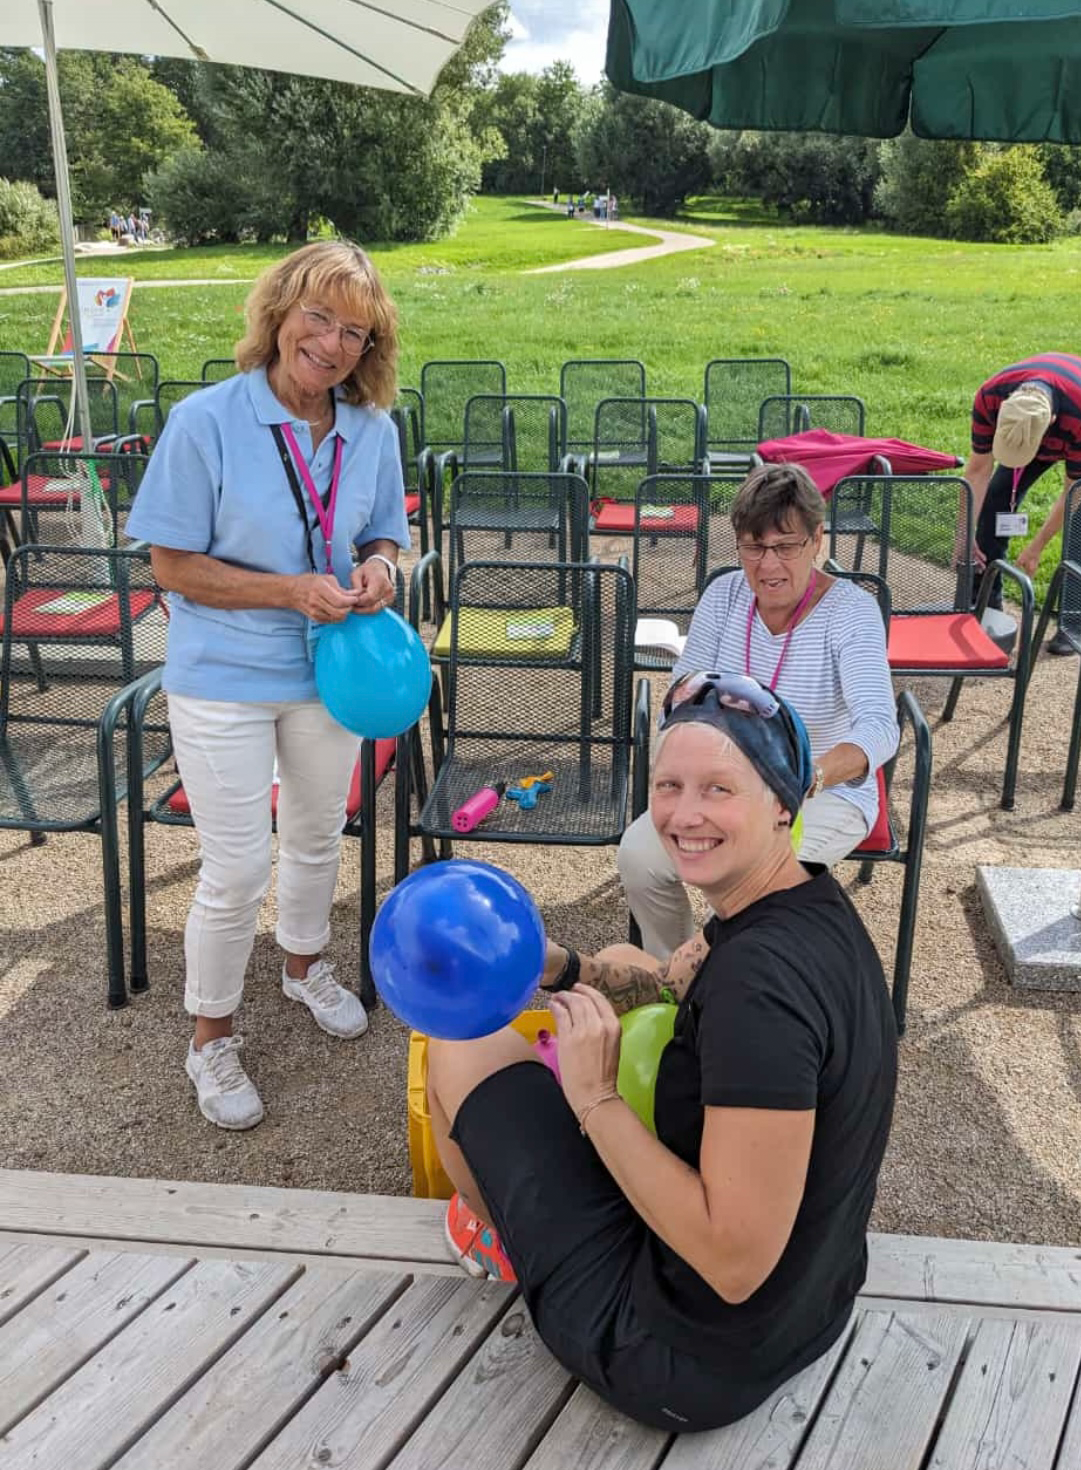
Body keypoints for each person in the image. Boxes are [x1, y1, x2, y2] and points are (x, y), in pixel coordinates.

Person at [426, 673, 898, 1432]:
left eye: (718, 789)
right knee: (626, 958)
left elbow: (734, 1264)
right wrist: (562, 969)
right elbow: (667, 980)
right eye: (668, 786)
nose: (683, 814)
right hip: (809, 1307)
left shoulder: (757, 995)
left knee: (461, 1045)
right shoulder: (799, 901)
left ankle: (512, 1239)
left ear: (783, 803)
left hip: (681, 1357)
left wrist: (594, 1099)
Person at [125, 240, 409, 1130]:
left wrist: (381, 568)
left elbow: (383, 533)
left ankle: (303, 967)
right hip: (224, 676)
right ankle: (210, 1037)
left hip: (330, 671)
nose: (331, 344)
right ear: (279, 314)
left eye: (354, 332)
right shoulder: (206, 421)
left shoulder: (373, 429)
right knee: (240, 865)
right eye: (317, 318)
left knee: (319, 834)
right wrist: (290, 591)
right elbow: (171, 565)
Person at [618, 462, 898, 959]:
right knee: (639, 856)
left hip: (820, 793)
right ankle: (672, 971)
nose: (768, 566)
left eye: (785, 547)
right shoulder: (723, 595)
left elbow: (879, 726)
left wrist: (809, 775)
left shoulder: (850, 611)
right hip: (726, 783)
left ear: (817, 540)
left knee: (750, 886)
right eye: (753, 547)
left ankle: (717, 979)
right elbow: (682, 693)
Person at [964, 352, 1081, 653]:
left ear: (1050, 423)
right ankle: (984, 599)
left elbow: (1074, 494)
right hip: (1041, 424)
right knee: (997, 495)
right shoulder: (990, 397)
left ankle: (1073, 624)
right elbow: (977, 471)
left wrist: (1036, 546)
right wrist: (964, 533)